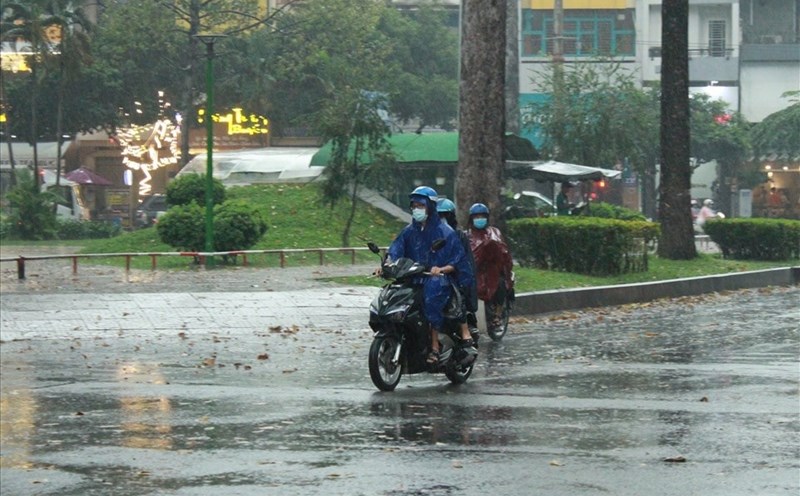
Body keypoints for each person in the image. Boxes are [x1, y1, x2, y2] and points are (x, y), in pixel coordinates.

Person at [384, 186, 469, 364]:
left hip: (437, 279)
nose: (417, 209)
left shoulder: (446, 232)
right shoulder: (409, 231)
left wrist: (442, 269)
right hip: (413, 276)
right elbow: (396, 248)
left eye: (420, 205)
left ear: (430, 206)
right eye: (414, 205)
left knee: (431, 297)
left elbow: (457, 260)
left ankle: (435, 347)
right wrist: (388, 263)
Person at [437, 198, 478, 345]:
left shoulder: (459, 236)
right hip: (431, 276)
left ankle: (464, 330)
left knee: (455, 294)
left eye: (444, 215)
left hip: (454, 276)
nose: (441, 220)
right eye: (437, 216)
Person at [467, 203, 514, 331]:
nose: (479, 219)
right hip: (474, 272)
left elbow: (504, 253)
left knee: (499, 285)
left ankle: (497, 316)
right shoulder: (467, 235)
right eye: (476, 216)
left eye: (482, 216)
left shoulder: (494, 232)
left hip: (493, 271)